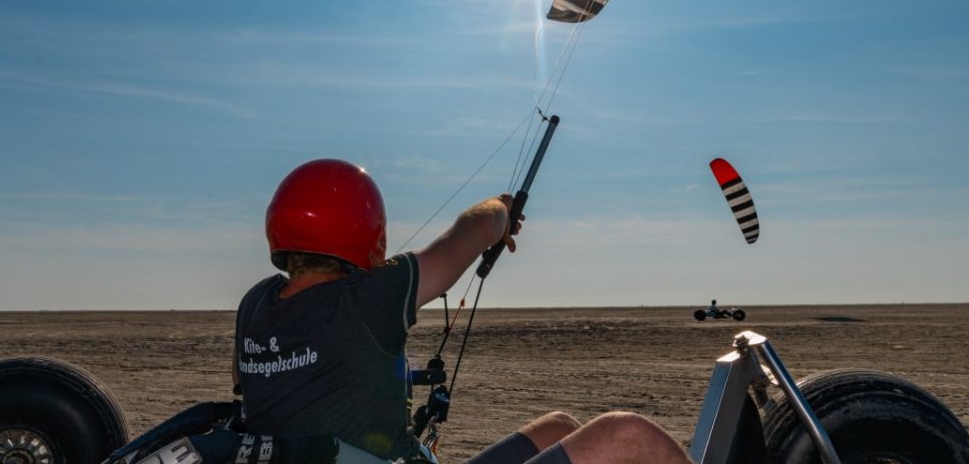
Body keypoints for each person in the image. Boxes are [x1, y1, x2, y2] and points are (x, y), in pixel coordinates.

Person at [234, 158, 690, 464]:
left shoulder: (255, 304)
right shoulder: (370, 296)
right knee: (628, 432)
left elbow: (278, 381)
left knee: (561, 428)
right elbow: (465, 237)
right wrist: (501, 213)